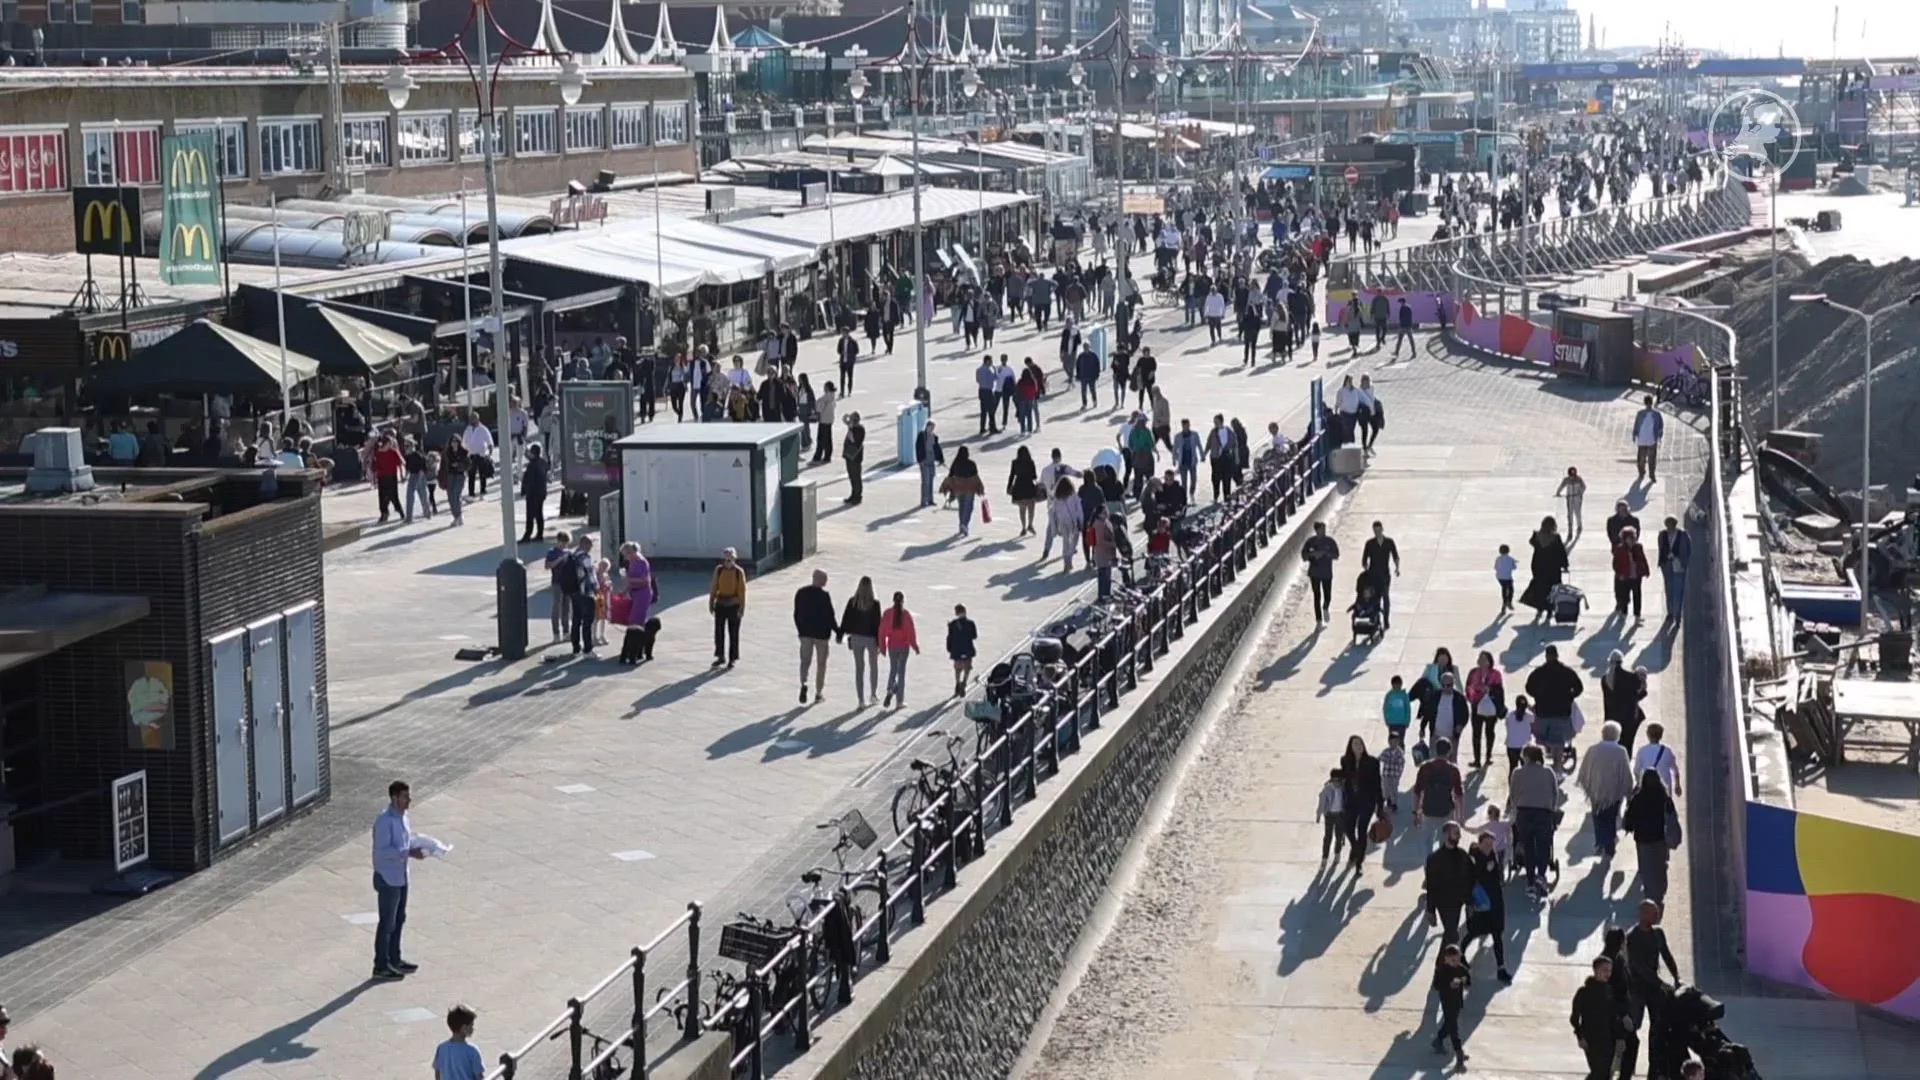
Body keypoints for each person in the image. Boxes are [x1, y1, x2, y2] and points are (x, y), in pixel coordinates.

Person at [371, 779, 426, 980]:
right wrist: (408, 852)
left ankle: (395, 958)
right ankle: (381, 965)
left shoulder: (404, 817)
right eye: (405, 796)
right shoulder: (384, 821)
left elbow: (405, 842)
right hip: (388, 878)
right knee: (387, 922)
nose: (409, 800)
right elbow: (383, 851)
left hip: (401, 876)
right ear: (395, 798)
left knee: (399, 918)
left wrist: (421, 845)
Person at [1625, 900, 1683, 1073]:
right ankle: (1626, 1063)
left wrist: (1676, 976)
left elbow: (1666, 954)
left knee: (1657, 1025)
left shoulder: (1658, 933)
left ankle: (1655, 1064)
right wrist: (1662, 984)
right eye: (1653, 913)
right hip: (1637, 988)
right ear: (1643, 915)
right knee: (1633, 1025)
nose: (1657, 915)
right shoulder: (1632, 937)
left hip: (1653, 988)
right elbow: (1639, 967)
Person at [1577, 721, 1636, 859]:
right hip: (1613, 792)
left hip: (1596, 790)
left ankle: (1600, 842)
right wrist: (1628, 791)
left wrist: (1588, 785)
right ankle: (1609, 845)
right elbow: (1626, 772)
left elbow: (1585, 769)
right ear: (1617, 735)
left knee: (1597, 816)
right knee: (1611, 818)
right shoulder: (1621, 751)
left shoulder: (1593, 749)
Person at [1508, 744, 1560, 898]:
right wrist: (1552, 808)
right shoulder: (1548, 772)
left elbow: (1513, 794)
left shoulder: (1518, 773)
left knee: (1528, 847)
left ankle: (1530, 881)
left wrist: (1515, 809)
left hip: (1524, 812)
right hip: (1543, 812)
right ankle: (1541, 876)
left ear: (1526, 757)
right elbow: (1555, 792)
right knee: (1544, 846)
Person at [1622, 771, 1679, 905]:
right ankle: (1660, 892)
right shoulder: (1664, 798)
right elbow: (1672, 816)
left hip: (1643, 840)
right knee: (1660, 866)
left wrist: (1629, 827)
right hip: (1660, 839)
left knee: (1646, 868)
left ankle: (1650, 895)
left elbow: (1629, 818)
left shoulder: (1638, 798)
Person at [1525, 644, 1585, 769]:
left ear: (1546, 656)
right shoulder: (1567, 672)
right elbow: (1579, 688)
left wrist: (1538, 696)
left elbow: (1529, 688)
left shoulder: (1538, 673)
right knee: (1558, 742)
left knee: (1542, 741)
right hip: (1561, 713)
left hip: (1543, 713)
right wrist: (1569, 697)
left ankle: (1542, 765)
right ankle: (1557, 766)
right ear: (1557, 655)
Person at [1465, 831, 1512, 982]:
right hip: (1481, 903)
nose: (1489, 847)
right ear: (1479, 844)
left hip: (1495, 902)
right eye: (1486, 844)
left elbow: (1496, 877)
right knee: (1473, 932)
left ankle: (1501, 968)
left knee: (1497, 935)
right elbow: (1471, 879)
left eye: (1491, 844)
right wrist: (1486, 868)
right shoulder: (1473, 859)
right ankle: (1461, 953)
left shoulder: (1492, 856)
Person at [1423, 820, 1475, 945]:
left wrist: (1470, 902)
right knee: (1452, 934)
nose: (1459, 836)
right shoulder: (1434, 859)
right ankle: (1450, 957)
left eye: (1459, 833)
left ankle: (1447, 957)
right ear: (1446, 834)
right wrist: (1430, 910)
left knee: (1450, 934)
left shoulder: (1463, 855)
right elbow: (1431, 886)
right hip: (1444, 903)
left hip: (1458, 902)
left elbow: (1471, 878)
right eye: (1456, 833)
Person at [1572, 956, 1623, 1080]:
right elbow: (1574, 1017)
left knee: (1605, 1074)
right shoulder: (1584, 992)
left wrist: (1620, 1037)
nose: (1608, 974)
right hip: (1591, 1039)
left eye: (1609, 970)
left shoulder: (1609, 991)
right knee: (1598, 1071)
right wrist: (1580, 1036)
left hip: (1608, 1040)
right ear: (1595, 970)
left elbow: (1613, 1016)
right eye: (1604, 970)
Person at [793, 569, 838, 705]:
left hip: (805, 634)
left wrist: (800, 630)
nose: (826, 581)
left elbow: (796, 614)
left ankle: (804, 683)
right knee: (821, 664)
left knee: (805, 661)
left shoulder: (801, 593)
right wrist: (838, 631)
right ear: (819, 579)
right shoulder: (824, 596)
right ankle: (818, 692)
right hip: (821, 635)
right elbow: (830, 616)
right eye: (825, 579)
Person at [1340, 735, 1384, 870]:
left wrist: (1380, 805)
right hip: (1351, 801)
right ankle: (1355, 847)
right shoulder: (1345, 760)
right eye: (1355, 744)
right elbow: (1344, 779)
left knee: (1362, 829)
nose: (1358, 746)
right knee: (1348, 828)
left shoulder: (1372, 762)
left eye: (1360, 744)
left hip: (1367, 802)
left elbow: (1377, 784)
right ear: (1350, 747)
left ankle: (1359, 862)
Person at [841, 577, 883, 708]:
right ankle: (873, 695)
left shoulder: (853, 602)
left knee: (859, 668)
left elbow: (846, 619)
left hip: (856, 638)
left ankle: (860, 700)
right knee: (873, 667)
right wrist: (880, 642)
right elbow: (878, 624)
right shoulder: (875, 604)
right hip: (871, 639)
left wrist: (842, 633)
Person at [1519, 517, 1570, 620]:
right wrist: (1565, 565)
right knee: (1551, 588)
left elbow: (1532, 542)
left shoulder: (1536, 535)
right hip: (1552, 567)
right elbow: (1561, 552)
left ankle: (1539, 608)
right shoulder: (1555, 538)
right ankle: (1549, 610)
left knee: (1539, 586)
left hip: (1538, 565)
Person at [1430, 943, 1472, 1070]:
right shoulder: (1441, 970)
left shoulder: (1461, 968)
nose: (1456, 962)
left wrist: (1465, 981)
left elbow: (1468, 980)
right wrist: (1449, 985)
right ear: (1446, 959)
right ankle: (1459, 1054)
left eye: (1458, 959)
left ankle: (1438, 1040)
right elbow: (1437, 985)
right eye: (1453, 960)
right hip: (1447, 1001)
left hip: (1457, 1001)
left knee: (1449, 1024)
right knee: (1454, 1028)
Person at [1413, 737, 1465, 835]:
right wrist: (1460, 816)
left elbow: (1417, 792)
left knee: (1427, 840)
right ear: (1449, 752)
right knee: (1446, 840)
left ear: (1435, 750)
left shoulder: (1425, 767)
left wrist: (1416, 812)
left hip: (1428, 809)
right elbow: (1459, 794)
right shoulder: (1453, 770)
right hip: (1446, 810)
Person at [1464, 651, 1506, 769]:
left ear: (1489, 661)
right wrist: (1473, 694)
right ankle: (1477, 759)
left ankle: (1488, 756)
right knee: (1476, 733)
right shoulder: (1473, 672)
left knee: (1490, 732)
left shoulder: (1495, 674)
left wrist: (1489, 689)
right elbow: (1468, 686)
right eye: (1480, 658)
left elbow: (1499, 690)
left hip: (1490, 706)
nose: (1481, 661)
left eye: (1484, 659)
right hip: (1476, 705)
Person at [1601, 650, 1649, 751]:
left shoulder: (1604, 679)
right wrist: (1643, 684)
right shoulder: (1631, 677)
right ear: (1621, 662)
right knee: (1627, 746)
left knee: (1612, 746)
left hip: (1611, 718)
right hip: (1629, 718)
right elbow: (1638, 695)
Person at [878, 591, 919, 709]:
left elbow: (881, 631)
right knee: (901, 673)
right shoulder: (905, 614)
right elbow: (911, 632)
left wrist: (882, 647)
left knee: (893, 669)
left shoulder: (887, 613)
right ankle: (899, 701)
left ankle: (890, 688)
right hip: (904, 646)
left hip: (892, 646)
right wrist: (915, 646)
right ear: (903, 601)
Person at [708, 547, 748, 668]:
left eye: (730, 559)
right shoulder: (719, 570)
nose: (728, 562)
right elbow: (714, 586)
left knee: (733, 632)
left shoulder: (739, 572)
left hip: (733, 604)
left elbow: (742, 591)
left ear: (734, 559)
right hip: (721, 603)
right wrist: (711, 602)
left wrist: (742, 608)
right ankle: (720, 656)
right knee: (719, 632)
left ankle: (732, 658)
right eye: (726, 559)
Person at [1361, 521, 1401, 629]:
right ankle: (1374, 618)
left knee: (1385, 596)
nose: (1377, 533)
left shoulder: (1389, 542)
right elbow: (1364, 559)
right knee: (1374, 598)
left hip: (1384, 574)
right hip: (1373, 575)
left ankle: (1386, 620)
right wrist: (1366, 568)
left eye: (1378, 530)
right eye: (1375, 531)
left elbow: (1395, 556)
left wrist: (1397, 568)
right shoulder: (1369, 543)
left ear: (1382, 529)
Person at [940, 446, 987, 537]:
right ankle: (965, 524)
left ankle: (962, 525)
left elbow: (950, 476)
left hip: (958, 489)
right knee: (968, 507)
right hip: (969, 489)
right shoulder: (971, 464)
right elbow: (975, 477)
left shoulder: (956, 463)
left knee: (962, 507)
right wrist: (980, 487)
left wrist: (948, 488)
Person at [433, 1004, 485, 1080]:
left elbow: (437, 1072)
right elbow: (479, 1076)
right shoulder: (472, 1050)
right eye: (471, 1025)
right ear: (464, 1028)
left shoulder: (442, 1048)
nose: (473, 1028)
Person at [1302, 521, 1340, 623]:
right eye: (1321, 529)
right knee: (1317, 596)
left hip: (1327, 573)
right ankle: (1318, 619)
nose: (1323, 531)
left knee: (1328, 596)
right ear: (1316, 530)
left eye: (1324, 529)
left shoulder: (1330, 541)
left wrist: (1326, 554)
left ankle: (1325, 607)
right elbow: (1304, 556)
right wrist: (1313, 554)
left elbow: (1336, 555)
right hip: (1314, 573)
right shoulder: (1310, 542)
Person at [1612, 526, 1651, 621]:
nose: (1632, 540)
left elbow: (1643, 559)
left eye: (1633, 537)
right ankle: (1623, 613)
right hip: (1625, 576)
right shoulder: (1620, 549)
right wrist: (1619, 574)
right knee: (1624, 596)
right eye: (1630, 538)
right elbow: (1615, 564)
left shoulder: (1638, 547)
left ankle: (1637, 616)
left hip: (1636, 576)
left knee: (1637, 596)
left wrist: (1646, 570)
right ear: (1624, 539)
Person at [1656, 515, 1691, 622]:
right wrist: (1664, 560)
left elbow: (1688, 549)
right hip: (1667, 566)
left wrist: (1682, 560)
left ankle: (1678, 614)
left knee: (1678, 591)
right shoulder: (1662, 535)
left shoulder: (1683, 535)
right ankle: (1670, 612)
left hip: (1679, 566)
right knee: (1669, 590)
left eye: (1671, 524)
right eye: (1667, 525)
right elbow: (1661, 548)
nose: (1669, 527)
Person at [1632, 722, 1682, 797]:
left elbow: (1636, 771)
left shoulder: (1642, 751)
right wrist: (1677, 785)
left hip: (1647, 789)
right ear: (1661, 736)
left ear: (1648, 735)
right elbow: (1675, 770)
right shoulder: (1667, 751)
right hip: (1664, 790)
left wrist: (1640, 783)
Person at [518, 443, 549, 542]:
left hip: (533, 493)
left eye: (530, 452)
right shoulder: (542, 462)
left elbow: (530, 481)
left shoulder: (532, 465)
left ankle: (527, 535)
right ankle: (540, 534)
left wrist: (525, 491)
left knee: (530, 515)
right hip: (541, 492)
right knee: (539, 513)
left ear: (533, 453)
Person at [1007, 446, 1041, 536]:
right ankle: (1030, 525)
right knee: (1031, 507)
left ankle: (1023, 528)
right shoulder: (1030, 462)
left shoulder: (1015, 462)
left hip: (1019, 487)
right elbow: (1034, 476)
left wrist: (1009, 486)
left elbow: (1012, 475)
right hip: (1029, 486)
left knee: (1022, 508)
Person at [1315, 768, 1347, 862]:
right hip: (1329, 815)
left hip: (1340, 815)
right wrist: (1319, 813)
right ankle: (1325, 857)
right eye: (1335, 780)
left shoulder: (1344, 789)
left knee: (1339, 836)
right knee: (1328, 837)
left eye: (1339, 780)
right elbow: (1322, 801)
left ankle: (1337, 853)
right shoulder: (1328, 789)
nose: (1337, 783)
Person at [946, 604, 978, 698]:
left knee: (957, 669)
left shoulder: (952, 624)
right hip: (967, 649)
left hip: (957, 651)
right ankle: (964, 682)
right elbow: (974, 636)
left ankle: (957, 683)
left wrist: (949, 649)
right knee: (967, 668)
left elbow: (949, 638)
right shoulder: (971, 623)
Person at [1631, 394, 1664, 482]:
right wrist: (1660, 436)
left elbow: (1636, 425)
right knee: (1649, 459)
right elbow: (1661, 426)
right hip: (1649, 439)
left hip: (1646, 439)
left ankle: (1646, 473)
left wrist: (1634, 435)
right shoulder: (1656, 414)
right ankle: (1647, 474)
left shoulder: (1642, 414)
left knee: (1644, 459)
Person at [1091, 506, 1121, 599]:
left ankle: (1105, 594)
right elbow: (1100, 541)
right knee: (1104, 575)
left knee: (1106, 574)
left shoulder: (1105, 521)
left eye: (1106, 511)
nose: (1106, 513)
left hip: (1107, 553)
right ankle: (1104, 595)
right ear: (1099, 514)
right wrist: (1112, 544)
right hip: (1102, 553)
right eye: (1104, 512)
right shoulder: (1099, 524)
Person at [915, 420, 945, 509]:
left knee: (931, 480)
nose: (932, 429)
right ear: (927, 426)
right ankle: (924, 501)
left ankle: (930, 499)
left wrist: (941, 459)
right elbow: (918, 448)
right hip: (924, 460)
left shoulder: (934, 436)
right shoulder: (922, 435)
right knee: (926, 481)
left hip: (931, 460)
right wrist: (920, 460)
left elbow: (937, 448)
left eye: (933, 427)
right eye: (931, 427)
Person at [1554, 468, 1588, 541]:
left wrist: (1580, 492)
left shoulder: (1579, 479)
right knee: (1570, 515)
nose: (1572, 477)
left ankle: (1579, 525)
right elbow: (1561, 486)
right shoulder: (1566, 480)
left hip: (1577, 498)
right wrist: (1558, 492)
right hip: (1569, 499)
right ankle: (1570, 531)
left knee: (1577, 513)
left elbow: (1584, 487)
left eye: (1573, 474)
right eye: (1571, 475)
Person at [842, 412, 865, 506]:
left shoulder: (859, 429)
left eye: (851, 420)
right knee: (851, 476)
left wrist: (850, 429)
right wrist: (846, 418)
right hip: (849, 455)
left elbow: (853, 440)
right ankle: (853, 494)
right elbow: (844, 420)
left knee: (856, 477)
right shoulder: (853, 427)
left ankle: (857, 496)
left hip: (855, 456)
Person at [1382, 674, 1413, 741]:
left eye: (1398, 685)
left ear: (1401, 684)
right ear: (1392, 685)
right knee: (1393, 740)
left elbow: (1408, 709)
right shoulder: (1389, 695)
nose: (1397, 687)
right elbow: (1385, 708)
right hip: (1392, 723)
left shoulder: (1404, 695)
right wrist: (1387, 719)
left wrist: (1407, 720)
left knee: (1401, 741)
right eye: (1395, 685)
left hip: (1402, 723)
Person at [1494, 543, 1518, 612]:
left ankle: (1504, 602)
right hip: (1508, 577)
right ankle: (1509, 602)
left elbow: (1495, 567)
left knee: (1504, 589)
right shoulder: (1510, 559)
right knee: (1511, 590)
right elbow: (1514, 568)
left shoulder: (1498, 558)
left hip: (1499, 577)